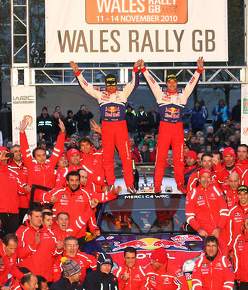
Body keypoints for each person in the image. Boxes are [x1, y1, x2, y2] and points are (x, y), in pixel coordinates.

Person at [70, 59, 143, 191]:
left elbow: (135, 84)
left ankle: (130, 184)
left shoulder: (122, 92)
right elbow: (85, 86)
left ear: (116, 84)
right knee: (108, 158)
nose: (111, 87)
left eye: (113, 84)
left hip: (121, 127)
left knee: (126, 157)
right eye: (108, 85)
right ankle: (110, 183)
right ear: (105, 84)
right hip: (107, 127)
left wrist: (135, 69)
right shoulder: (100, 94)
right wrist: (77, 72)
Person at [140, 57, 204, 193]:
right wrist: (143, 69)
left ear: (177, 83)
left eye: (174, 82)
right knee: (161, 157)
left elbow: (192, 84)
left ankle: (180, 183)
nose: (172, 85)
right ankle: (157, 184)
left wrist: (199, 70)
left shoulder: (183, 94)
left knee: (179, 158)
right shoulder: (160, 93)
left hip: (178, 128)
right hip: (165, 127)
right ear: (166, 83)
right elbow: (151, 82)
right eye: (170, 82)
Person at [0, 138, 31, 235]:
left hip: (13, 213)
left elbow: (21, 189)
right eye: (2, 156)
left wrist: (27, 187)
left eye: (7, 156)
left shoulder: (13, 172)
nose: (5, 159)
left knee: (11, 240)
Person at [185, 170, 227, 239]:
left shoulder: (217, 191)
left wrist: (219, 228)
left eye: (208, 177)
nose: (206, 179)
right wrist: (199, 229)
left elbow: (224, 212)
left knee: (224, 249)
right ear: (199, 179)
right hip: (203, 234)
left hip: (219, 232)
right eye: (203, 177)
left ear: (211, 179)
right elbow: (189, 217)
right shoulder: (192, 194)